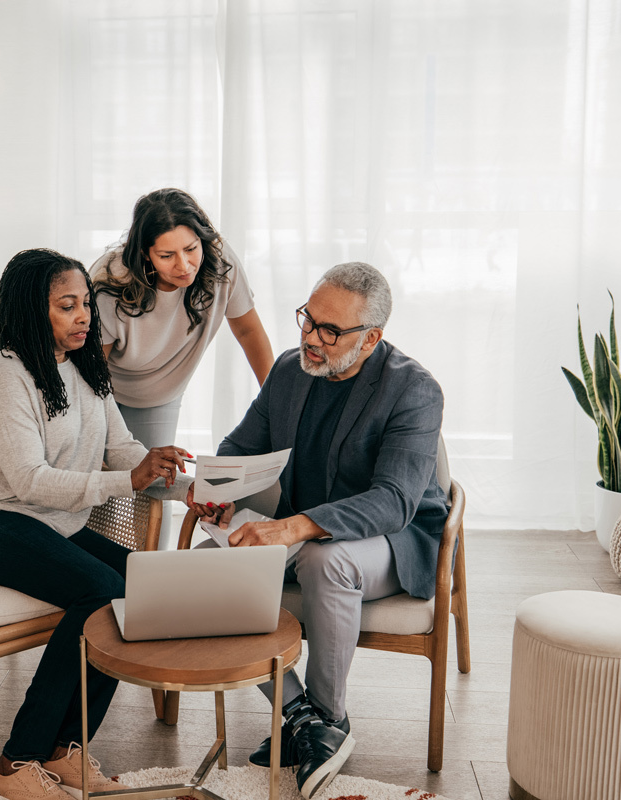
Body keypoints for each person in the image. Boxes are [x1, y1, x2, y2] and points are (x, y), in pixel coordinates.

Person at [187, 262, 448, 800]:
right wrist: (217, 491)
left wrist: (296, 528)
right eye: (308, 319)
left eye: (330, 331)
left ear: (371, 338)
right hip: (304, 530)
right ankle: (305, 720)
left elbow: (394, 500)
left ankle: (330, 715)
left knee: (323, 559)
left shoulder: (414, 391)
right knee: (213, 559)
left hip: (392, 541)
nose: (311, 338)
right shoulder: (289, 370)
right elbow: (242, 449)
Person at [0, 248, 191, 800]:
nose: (83, 317)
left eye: (84, 305)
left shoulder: (86, 368)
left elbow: (123, 448)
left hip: (54, 524)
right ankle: (14, 764)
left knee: (142, 592)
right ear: (34, 309)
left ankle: (64, 749)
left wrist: (192, 489)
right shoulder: (6, 376)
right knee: (102, 591)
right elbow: (29, 480)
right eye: (66, 306)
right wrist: (128, 482)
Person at [91, 188, 275, 451]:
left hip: (159, 395)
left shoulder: (221, 264)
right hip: (100, 387)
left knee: (150, 485)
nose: (184, 266)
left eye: (191, 249)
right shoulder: (111, 282)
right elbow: (92, 369)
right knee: (101, 476)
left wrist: (274, 403)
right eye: (166, 256)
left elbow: (248, 331)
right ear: (145, 253)